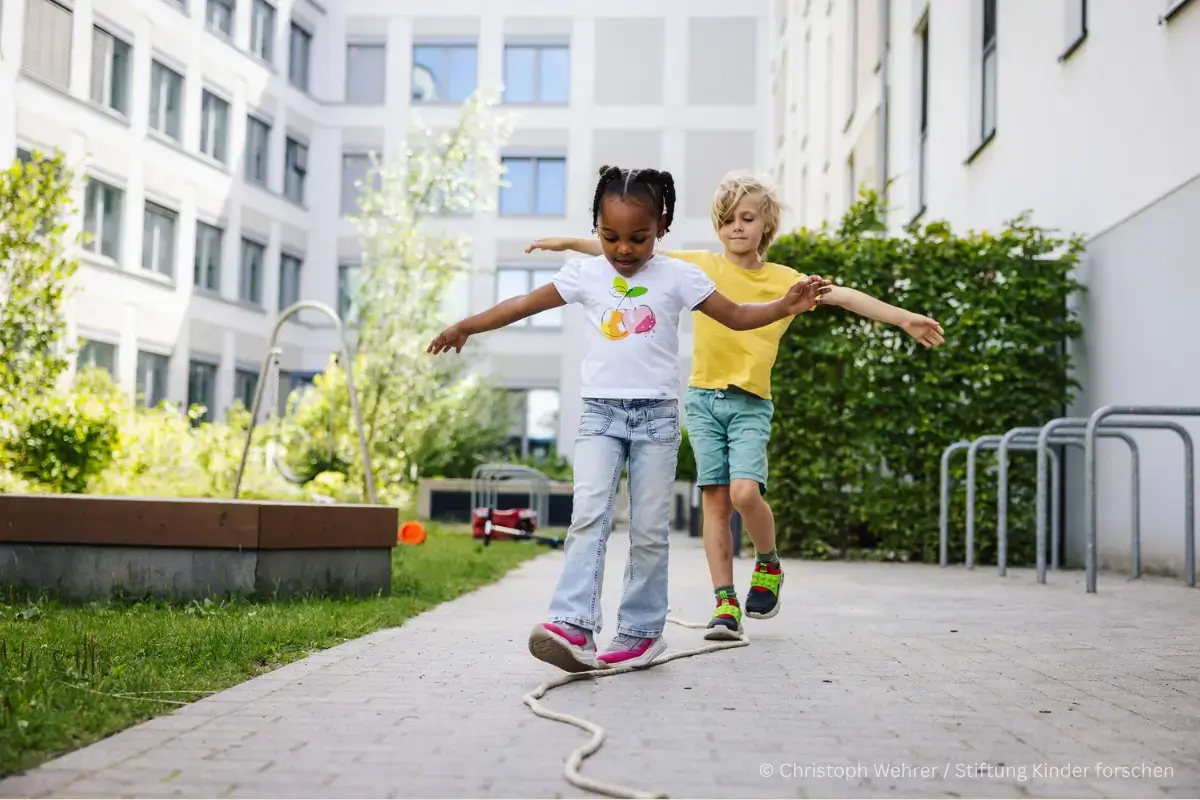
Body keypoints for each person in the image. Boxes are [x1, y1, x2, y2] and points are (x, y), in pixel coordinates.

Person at [428, 165, 832, 672]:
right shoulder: (586, 272)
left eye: (637, 238)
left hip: (656, 420)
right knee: (589, 516)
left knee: (646, 529)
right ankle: (572, 626)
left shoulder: (680, 274)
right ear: (596, 228)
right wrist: (467, 324)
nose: (622, 249)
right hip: (599, 414)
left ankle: (641, 632)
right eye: (609, 236)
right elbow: (523, 304)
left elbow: (737, 315)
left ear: (661, 228)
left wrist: (781, 306)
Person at [525, 169, 945, 641]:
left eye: (747, 219)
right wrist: (565, 242)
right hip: (704, 400)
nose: (736, 228)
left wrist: (904, 318)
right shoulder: (699, 267)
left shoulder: (786, 281)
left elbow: (843, 297)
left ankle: (768, 563)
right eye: (726, 220)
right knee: (717, 505)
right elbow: (628, 249)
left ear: (766, 225)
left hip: (749, 404)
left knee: (746, 494)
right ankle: (725, 605)